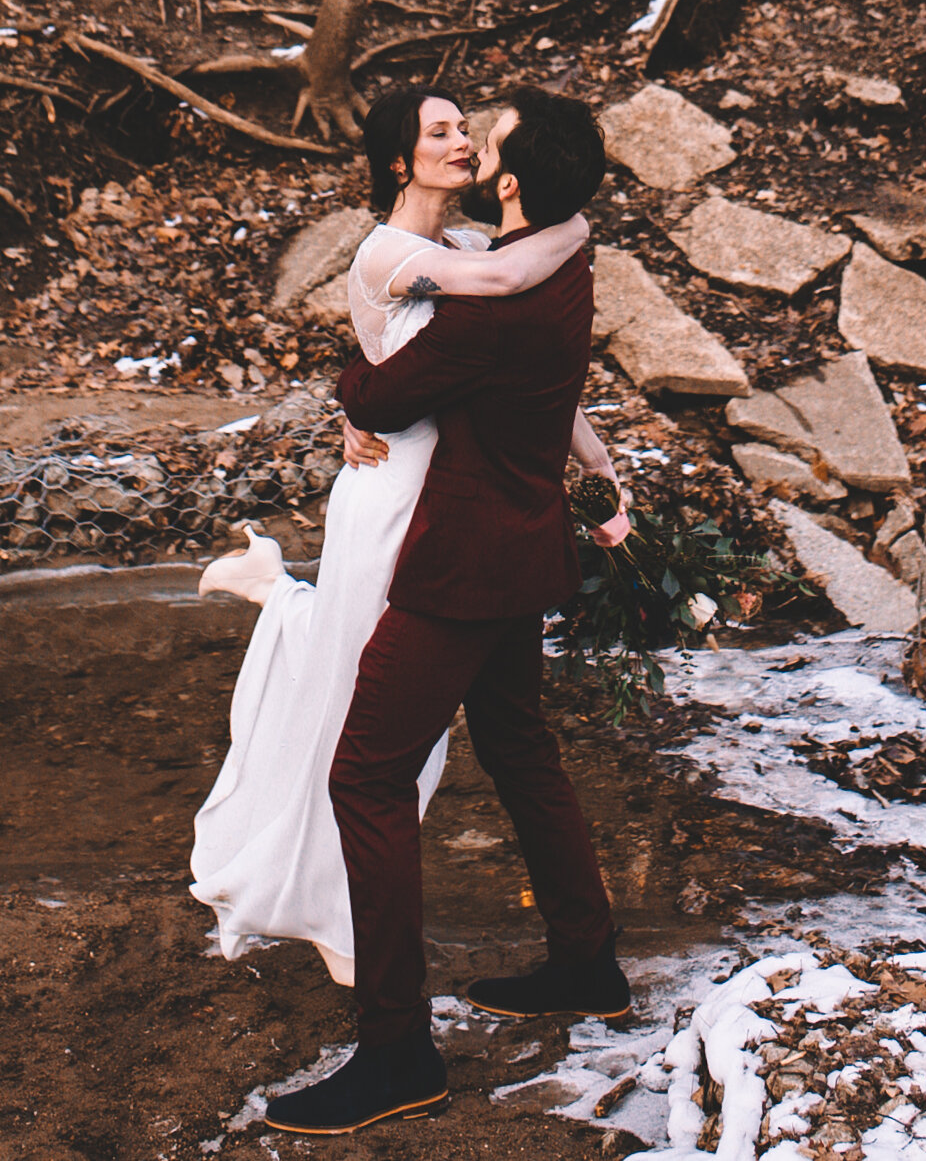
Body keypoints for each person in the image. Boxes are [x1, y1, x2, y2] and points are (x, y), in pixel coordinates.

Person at [264, 86, 631, 1139]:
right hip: (523, 544)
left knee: (364, 775)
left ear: (508, 181)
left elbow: (379, 398)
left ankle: (396, 1049)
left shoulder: (489, 301)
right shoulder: (560, 254)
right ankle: (584, 957)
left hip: (463, 564)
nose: (469, 140)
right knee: (519, 745)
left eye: (487, 136)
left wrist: (349, 394)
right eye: (450, 130)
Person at [190, 85, 618, 987]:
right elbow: (501, 300)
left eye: (470, 129)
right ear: (399, 160)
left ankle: (415, 998)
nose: (462, 142)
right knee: (351, 699)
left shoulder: (474, 244)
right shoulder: (401, 253)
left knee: (423, 744)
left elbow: (537, 367)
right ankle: (335, 918)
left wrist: (603, 470)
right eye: (441, 132)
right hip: (399, 504)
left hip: (460, 517)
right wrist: (356, 396)